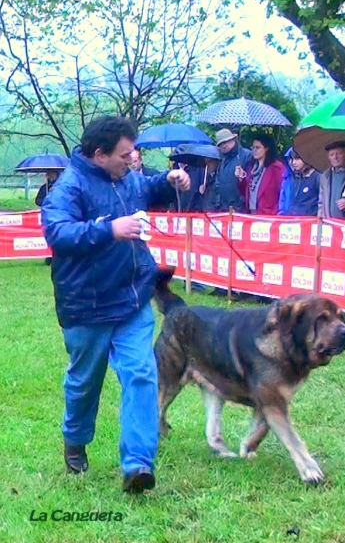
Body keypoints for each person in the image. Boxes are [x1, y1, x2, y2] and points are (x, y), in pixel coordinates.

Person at [41, 115, 190, 494]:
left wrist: (168, 181)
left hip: (133, 297)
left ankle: (138, 464)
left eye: (133, 152)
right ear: (99, 154)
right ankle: (75, 438)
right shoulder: (69, 187)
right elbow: (57, 232)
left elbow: (145, 187)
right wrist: (110, 229)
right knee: (84, 381)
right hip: (86, 306)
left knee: (141, 372)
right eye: (125, 154)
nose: (132, 158)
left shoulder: (126, 177)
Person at [235, 134, 284, 215]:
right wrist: (241, 179)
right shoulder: (251, 166)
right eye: (253, 148)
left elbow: (282, 192)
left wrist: (275, 212)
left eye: (257, 148)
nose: (254, 150)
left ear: (267, 149)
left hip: (269, 215)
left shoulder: (276, 168)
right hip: (251, 213)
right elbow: (247, 191)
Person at [215, 129, 252, 212]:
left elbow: (252, 183)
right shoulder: (222, 160)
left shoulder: (247, 155)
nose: (224, 145)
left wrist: (243, 176)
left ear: (233, 140)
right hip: (224, 209)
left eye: (226, 141)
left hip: (241, 209)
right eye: (221, 144)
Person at [318, 141, 345, 219]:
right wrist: (320, 218)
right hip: (330, 225)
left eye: (339, 153)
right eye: (331, 155)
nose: (335, 157)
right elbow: (321, 202)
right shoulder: (325, 176)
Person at [280, 150, 320, 216]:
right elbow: (283, 200)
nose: (293, 162)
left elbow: (322, 202)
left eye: (297, 158)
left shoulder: (317, 177)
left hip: (309, 222)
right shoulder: (289, 177)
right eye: (291, 159)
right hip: (288, 221)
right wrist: (281, 214)